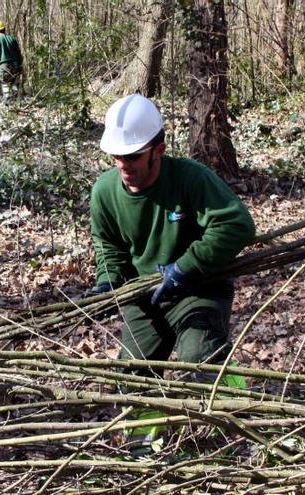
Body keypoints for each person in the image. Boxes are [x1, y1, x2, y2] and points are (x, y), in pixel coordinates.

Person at [88, 94, 255, 454]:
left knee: (200, 356)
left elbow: (236, 225)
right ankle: (143, 449)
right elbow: (108, 246)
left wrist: (186, 266)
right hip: (144, 296)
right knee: (131, 375)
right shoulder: (104, 192)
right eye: (116, 156)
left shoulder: (191, 179)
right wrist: (109, 282)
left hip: (198, 288)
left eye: (132, 156)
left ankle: (237, 419)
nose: (123, 165)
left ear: (158, 149)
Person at [0, 21, 23, 102]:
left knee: (5, 84)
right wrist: (19, 66)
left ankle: (8, 103)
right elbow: (19, 54)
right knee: (13, 84)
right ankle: (15, 100)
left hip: (3, 67)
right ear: (4, 29)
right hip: (15, 66)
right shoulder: (12, 39)